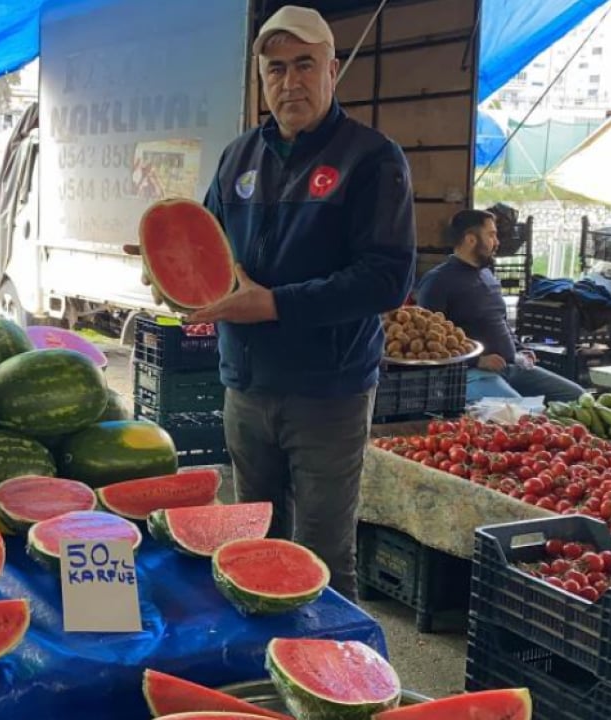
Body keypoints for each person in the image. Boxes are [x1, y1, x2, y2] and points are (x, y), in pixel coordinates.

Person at [127, 6, 416, 602]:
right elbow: (206, 251)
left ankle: (335, 660)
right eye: (276, 69)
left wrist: (274, 305)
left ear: (332, 69)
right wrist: (169, 270)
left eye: (304, 65)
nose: (290, 82)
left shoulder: (372, 158)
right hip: (246, 386)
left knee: (323, 554)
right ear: (262, 79)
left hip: (328, 392)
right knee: (254, 546)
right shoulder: (238, 157)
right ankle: (265, 657)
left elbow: (386, 280)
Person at [414, 209, 586, 404]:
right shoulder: (438, 281)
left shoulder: (487, 274)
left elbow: (499, 321)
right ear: (471, 239)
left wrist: (519, 349)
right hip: (471, 374)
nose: (497, 242)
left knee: (578, 398)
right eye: (491, 235)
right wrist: (478, 360)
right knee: (522, 414)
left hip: (512, 367)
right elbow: (426, 340)